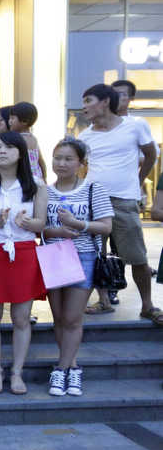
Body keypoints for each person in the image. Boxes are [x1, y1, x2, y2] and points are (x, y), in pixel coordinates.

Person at [0, 132, 48, 394]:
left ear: (21, 153)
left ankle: (17, 373)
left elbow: (41, 223)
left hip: (24, 252)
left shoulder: (36, 184)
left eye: (9, 147)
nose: (1, 151)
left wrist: (26, 223)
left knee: (21, 317)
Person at [78, 84, 161, 323]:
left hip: (124, 201)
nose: (84, 108)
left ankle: (147, 305)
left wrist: (138, 179)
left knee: (137, 256)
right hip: (93, 201)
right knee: (95, 254)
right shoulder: (85, 137)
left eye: (88, 101)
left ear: (105, 101)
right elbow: (82, 167)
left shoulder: (136, 126)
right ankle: (103, 301)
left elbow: (151, 155)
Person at [43, 138, 113, 397]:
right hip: (52, 255)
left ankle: (61, 370)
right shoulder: (45, 191)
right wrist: (58, 229)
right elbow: (40, 227)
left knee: (73, 318)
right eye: (57, 157)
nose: (61, 163)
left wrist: (78, 224)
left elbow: (106, 226)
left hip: (82, 256)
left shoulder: (94, 189)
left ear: (81, 163)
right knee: (59, 318)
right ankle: (71, 366)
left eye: (68, 159)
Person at [9, 101, 46, 181]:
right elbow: (41, 162)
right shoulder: (33, 138)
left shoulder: (17, 139)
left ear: (24, 121)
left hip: (24, 179)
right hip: (37, 178)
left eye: (12, 118)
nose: (10, 121)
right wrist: (44, 178)